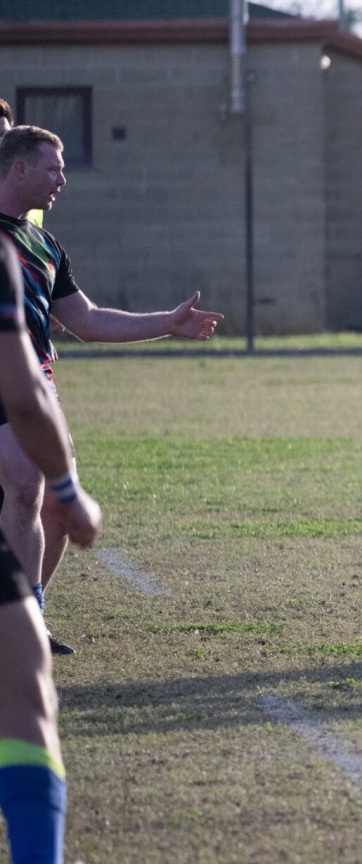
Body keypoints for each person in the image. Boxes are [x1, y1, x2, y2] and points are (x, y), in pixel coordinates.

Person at [0, 126, 222, 656]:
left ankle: (29, 614)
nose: (62, 179)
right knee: (28, 488)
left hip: (38, 387)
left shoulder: (45, 244)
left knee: (56, 506)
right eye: (53, 168)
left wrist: (167, 323)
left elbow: (89, 320)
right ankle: (18, 630)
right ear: (20, 169)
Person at [0, 237, 151, 864]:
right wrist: (68, 492)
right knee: (27, 699)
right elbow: (23, 389)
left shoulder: (31, 245)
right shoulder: (1, 250)